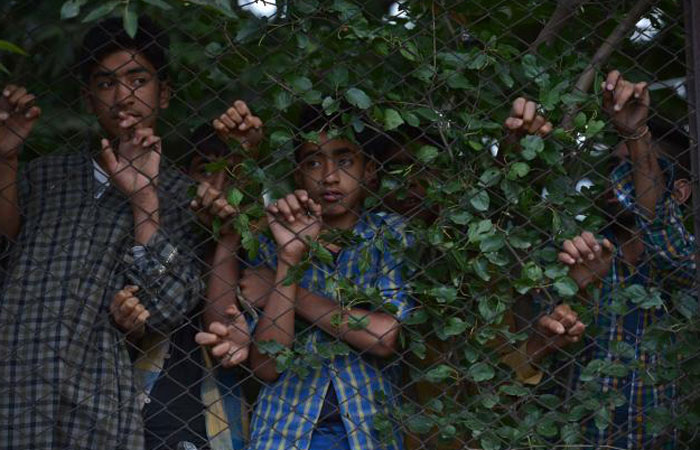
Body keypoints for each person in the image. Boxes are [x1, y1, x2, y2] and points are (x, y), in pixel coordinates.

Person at [0, 16, 204, 450]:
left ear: (163, 94)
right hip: (13, 373)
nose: (123, 96)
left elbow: (166, 308)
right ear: (88, 97)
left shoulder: (184, 195)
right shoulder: (45, 175)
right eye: (106, 83)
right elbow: (6, 247)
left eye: (138, 79)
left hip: (95, 398)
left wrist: (144, 196)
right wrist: (6, 158)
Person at [224, 104, 412, 450]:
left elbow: (384, 336)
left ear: (369, 170)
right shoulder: (271, 241)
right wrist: (289, 260)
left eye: (344, 160)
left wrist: (287, 293)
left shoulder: (390, 234)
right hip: (284, 435)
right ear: (298, 174)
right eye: (313, 162)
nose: (328, 176)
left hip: (367, 434)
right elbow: (267, 366)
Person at [555, 70, 695, 449]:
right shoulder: (582, 254)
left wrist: (637, 136)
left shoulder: (686, 263)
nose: (613, 185)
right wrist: (573, 289)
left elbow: (666, 240)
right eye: (611, 171)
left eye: (629, 170)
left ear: (680, 191)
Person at [111, 105, 263, 450]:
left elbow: (219, 322)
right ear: (182, 177)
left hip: (212, 417)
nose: (216, 186)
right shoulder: (151, 234)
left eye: (230, 173)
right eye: (205, 171)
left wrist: (227, 239)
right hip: (143, 406)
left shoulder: (258, 249)